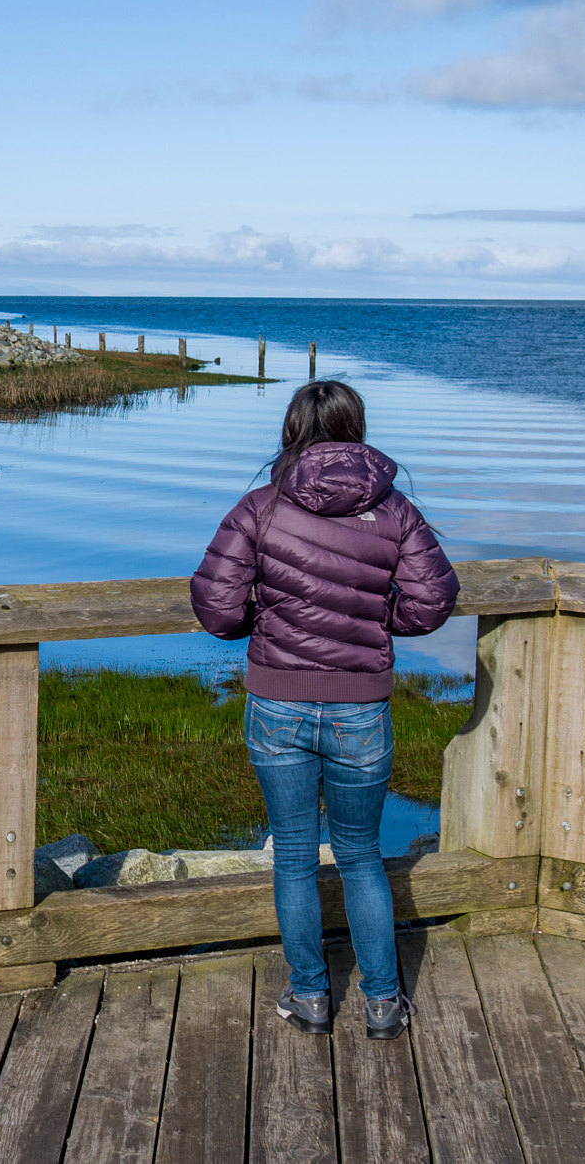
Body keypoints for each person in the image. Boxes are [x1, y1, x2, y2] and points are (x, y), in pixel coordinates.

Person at [189, 380, 457, 1041]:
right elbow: (432, 600)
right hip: (360, 706)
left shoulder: (260, 507)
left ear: (290, 432)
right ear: (355, 428)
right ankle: (385, 1002)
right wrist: (377, 619)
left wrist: (268, 619)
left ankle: (310, 996)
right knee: (363, 854)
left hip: (277, 699)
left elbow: (218, 606)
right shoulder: (394, 511)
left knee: (295, 858)